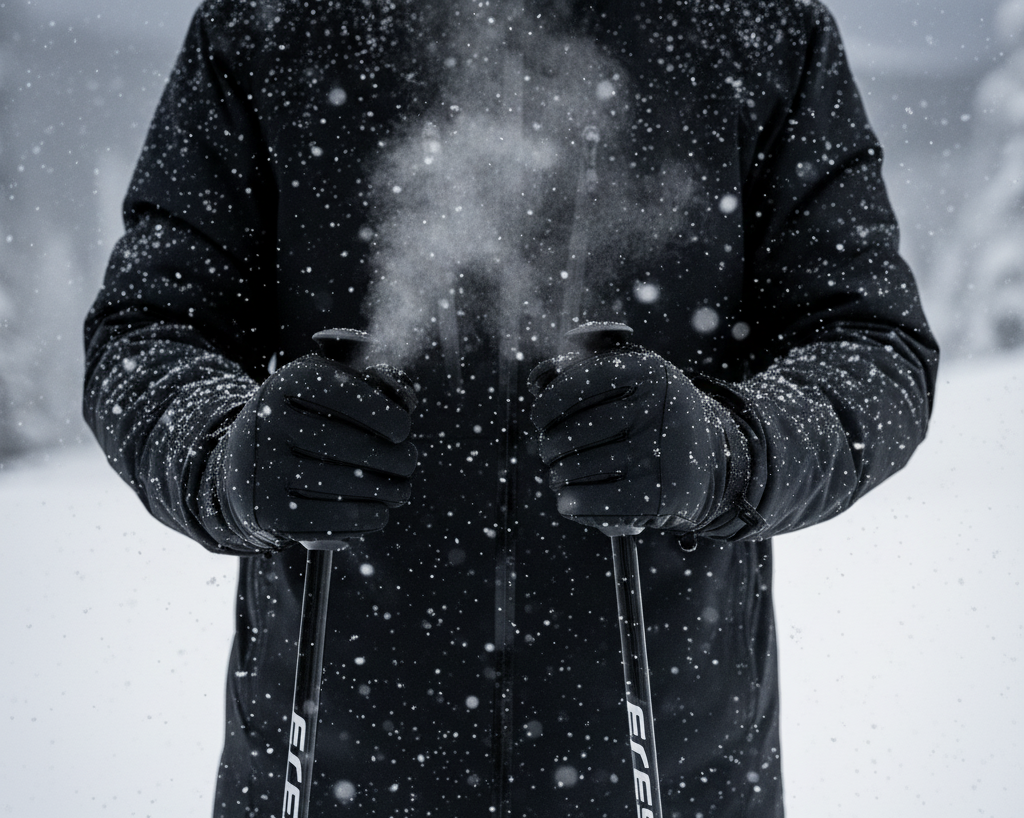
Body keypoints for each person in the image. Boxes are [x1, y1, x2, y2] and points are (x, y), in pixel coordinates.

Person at [83, 0, 939, 816]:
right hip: (325, 771)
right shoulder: (267, 21)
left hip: (675, 767)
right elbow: (147, 332)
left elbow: (873, 345)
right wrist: (225, 457)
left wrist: (728, 453)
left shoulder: (758, 24)